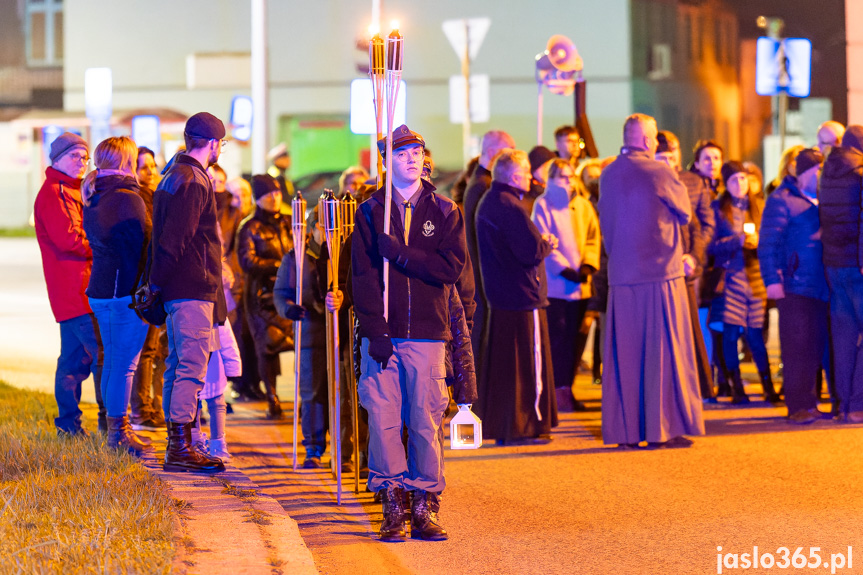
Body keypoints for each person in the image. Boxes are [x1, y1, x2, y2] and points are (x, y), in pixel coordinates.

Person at [352, 124, 466, 542]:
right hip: (383, 336)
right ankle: (392, 499)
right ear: (386, 162)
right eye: (401, 154)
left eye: (417, 151)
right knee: (383, 421)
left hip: (427, 334)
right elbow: (361, 278)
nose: (411, 159)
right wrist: (375, 330)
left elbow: (449, 268)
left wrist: (399, 253)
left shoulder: (446, 211)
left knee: (424, 420)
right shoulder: (369, 212)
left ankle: (424, 502)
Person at [598, 113, 704, 448]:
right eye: (655, 137)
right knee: (665, 353)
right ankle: (663, 429)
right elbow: (685, 212)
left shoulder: (608, 173)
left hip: (622, 276)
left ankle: (626, 432)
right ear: (647, 140)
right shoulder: (660, 171)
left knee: (625, 357)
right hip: (661, 275)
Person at [149, 112, 228, 473]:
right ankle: (181, 448)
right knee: (191, 367)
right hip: (191, 287)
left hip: (179, 288)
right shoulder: (194, 180)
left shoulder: (172, 175)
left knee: (177, 364)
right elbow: (176, 239)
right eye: (220, 144)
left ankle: (180, 443)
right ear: (212, 144)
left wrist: (158, 284)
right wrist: (157, 283)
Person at [475, 149, 558, 443]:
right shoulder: (511, 207)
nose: (531, 178)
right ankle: (528, 422)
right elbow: (529, 251)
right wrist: (546, 244)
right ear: (514, 176)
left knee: (506, 368)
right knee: (528, 365)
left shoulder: (490, 202)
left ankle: (507, 425)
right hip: (523, 298)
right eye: (525, 173)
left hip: (501, 297)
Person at [81, 136, 152, 455]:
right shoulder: (126, 197)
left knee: (112, 361)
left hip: (101, 289)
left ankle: (115, 430)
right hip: (122, 293)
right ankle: (118, 434)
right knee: (124, 365)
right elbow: (144, 245)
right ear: (127, 160)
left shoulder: (95, 193)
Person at [34, 132, 107, 437]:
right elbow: (71, 241)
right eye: (76, 156)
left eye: (85, 157)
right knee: (102, 355)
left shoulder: (70, 189)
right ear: (58, 158)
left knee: (74, 359)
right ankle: (112, 424)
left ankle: (68, 425)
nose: (82, 162)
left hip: (76, 290)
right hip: (76, 291)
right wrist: (105, 244)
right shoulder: (55, 192)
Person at [759, 149, 830, 423]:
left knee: (813, 346)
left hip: (819, 285)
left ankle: (809, 403)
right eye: (817, 170)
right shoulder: (781, 200)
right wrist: (772, 281)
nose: (821, 175)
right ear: (804, 172)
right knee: (796, 346)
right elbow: (768, 243)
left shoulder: (819, 200)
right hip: (793, 285)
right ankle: (797, 406)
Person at [531, 158, 599, 412]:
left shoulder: (581, 205)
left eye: (570, 177)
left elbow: (593, 236)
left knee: (574, 340)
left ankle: (567, 389)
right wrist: (564, 269)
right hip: (556, 286)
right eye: (562, 177)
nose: (568, 182)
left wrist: (588, 265)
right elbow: (542, 238)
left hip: (580, 286)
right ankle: (555, 391)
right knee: (556, 340)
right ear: (551, 179)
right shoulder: (543, 204)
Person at [709, 161, 779, 404]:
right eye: (734, 180)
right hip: (730, 279)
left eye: (743, 178)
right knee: (729, 334)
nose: (740, 184)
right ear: (726, 184)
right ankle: (736, 387)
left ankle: (768, 386)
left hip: (755, 278)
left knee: (755, 335)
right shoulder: (718, 208)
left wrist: (758, 242)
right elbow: (710, 246)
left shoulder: (759, 206)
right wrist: (734, 241)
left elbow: (772, 239)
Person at [656, 131, 716, 401]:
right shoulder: (649, 181)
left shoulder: (693, 182)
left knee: (691, 333)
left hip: (687, 269)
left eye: (673, 153)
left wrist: (693, 256)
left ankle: (695, 389)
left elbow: (704, 224)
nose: (669, 159)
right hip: (658, 270)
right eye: (663, 155)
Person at [274, 212, 335, 468]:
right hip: (311, 330)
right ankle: (313, 447)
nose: (328, 231)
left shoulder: (341, 255)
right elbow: (282, 293)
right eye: (323, 225)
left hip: (337, 331)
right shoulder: (297, 257)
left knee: (339, 393)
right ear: (312, 229)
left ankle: (347, 448)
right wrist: (289, 308)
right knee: (312, 392)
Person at [237, 174, 294, 419]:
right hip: (262, 298)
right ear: (258, 199)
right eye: (268, 194)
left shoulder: (290, 222)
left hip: (290, 294)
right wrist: (278, 265)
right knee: (267, 348)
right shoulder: (249, 227)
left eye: (277, 192)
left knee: (299, 346)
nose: (275, 197)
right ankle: (272, 399)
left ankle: (304, 399)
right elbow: (247, 261)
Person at [817, 125, 863, 423]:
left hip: (833, 264)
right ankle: (858, 405)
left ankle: (843, 404)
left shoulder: (826, 173)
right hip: (857, 265)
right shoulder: (859, 173)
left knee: (844, 337)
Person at [462, 130, 516, 371]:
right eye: (508, 154)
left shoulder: (478, 182)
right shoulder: (483, 186)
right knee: (481, 339)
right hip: (482, 275)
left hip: (480, 272)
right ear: (494, 153)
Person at [130, 146, 167, 431]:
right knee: (145, 350)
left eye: (153, 166)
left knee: (154, 350)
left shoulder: (156, 197)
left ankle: (153, 407)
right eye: (144, 167)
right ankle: (141, 410)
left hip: (156, 282)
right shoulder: (138, 201)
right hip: (144, 285)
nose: (151, 171)